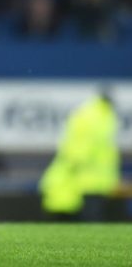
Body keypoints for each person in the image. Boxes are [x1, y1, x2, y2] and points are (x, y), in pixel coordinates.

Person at [39, 88, 124, 221]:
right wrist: (78, 162)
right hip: (90, 176)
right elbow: (82, 144)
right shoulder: (98, 116)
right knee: (90, 216)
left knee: (85, 216)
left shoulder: (96, 114)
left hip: (88, 175)